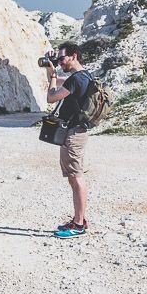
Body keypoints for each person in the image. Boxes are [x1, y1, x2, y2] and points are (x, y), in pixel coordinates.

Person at [45, 42, 92, 237]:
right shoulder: (83, 76)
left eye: (62, 58)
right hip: (75, 131)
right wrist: (52, 68)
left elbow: (51, 97)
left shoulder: (76, 80)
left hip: (74, 133)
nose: (60, 62)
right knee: (74, 177)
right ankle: (78, 219)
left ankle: (78, 224)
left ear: (74, 56)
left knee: (76, 177)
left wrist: (53, 75)